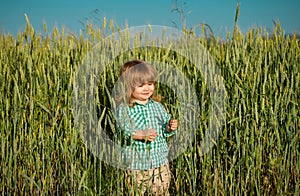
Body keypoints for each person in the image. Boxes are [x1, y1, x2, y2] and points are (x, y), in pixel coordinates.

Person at [115, 60, 178, 195]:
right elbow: (123, 130)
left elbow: (164, 129)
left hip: (160, 163)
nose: (147, 88)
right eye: (140, 85)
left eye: (150, 84)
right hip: (136, 166)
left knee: (162, 191)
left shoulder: (158, 106)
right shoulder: (125, 109)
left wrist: (170, 127)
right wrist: (140, 134)